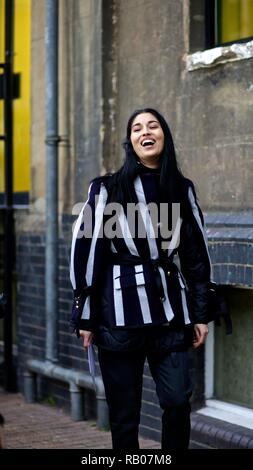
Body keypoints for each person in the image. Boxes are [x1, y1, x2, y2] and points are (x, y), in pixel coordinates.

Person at [70, 108, 211, 450]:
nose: (145, 132)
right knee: (124, 414)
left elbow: (196, 255)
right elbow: (87, 250)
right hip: (117, 316)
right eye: (137, 128)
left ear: (164, 136)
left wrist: (201, 313)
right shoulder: (106, 188)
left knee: (177, 401)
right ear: (130, 141)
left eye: (153, 125)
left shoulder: (182, 188)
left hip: (169, 313)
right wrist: (84, 314)